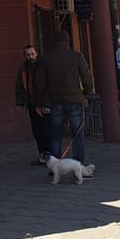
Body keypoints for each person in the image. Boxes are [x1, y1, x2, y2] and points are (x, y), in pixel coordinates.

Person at [34, 29, 94, 164]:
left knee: (55, 135)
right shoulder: (77, 56)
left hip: (55, 101)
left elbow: (39, 83)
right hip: (75, 100)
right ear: (68, 41)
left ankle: (55, 163)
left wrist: (39, 103)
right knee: (77, 134)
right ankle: (78, 163)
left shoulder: (46, 58)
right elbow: (87, 78)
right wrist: (87, 93)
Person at [15, 44, 52, 165]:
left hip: (43, 104)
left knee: (47, 131)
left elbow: (47, 86)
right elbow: (19, 86)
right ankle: (42, 155)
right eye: (28, 55)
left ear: (36, 54)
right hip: (31, 104)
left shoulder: (43, 66)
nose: (30, 57)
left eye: (32, 54)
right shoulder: (23, 69)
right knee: (37, 131)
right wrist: (20, 102)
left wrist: (45, 104)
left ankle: (50, 156)